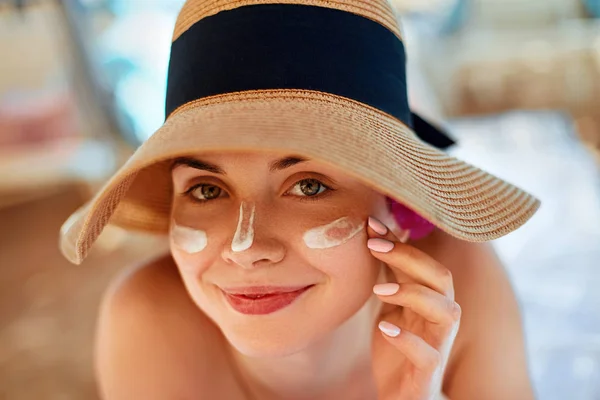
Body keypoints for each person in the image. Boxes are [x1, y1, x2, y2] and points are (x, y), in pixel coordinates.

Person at [58, 1, 540, 399]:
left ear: (398, 203)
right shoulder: (148, 319)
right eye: (207, 190)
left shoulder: (463, 283)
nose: (246, 248)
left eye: (309, 186)